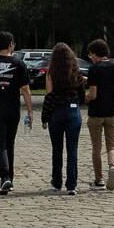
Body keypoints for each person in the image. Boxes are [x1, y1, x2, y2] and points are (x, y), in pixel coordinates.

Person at [0, 32, 34, 195]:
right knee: (9, 143)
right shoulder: (19, 64)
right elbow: (25, 89)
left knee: (0, 144)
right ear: (11, 44)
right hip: (13, 109)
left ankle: (5, 177)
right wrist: (30, 111)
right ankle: (8, 178)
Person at [42, 43, 86, 196]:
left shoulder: (51, 73)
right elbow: (82, 95)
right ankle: (72, 184)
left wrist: (44, 117)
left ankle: (57, 181)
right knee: (72, 149)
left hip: (56, 112)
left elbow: (49, 96)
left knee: (57, 148)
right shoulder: (76, 72)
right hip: (73, 111)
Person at [85, 39, 114, 190]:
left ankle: (99, 179)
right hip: (112, 111)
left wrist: (85, 97)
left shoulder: (94, 69)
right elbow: (106, 83)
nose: (90, 58)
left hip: (96, 113)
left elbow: (93, 94)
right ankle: (113, 166)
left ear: (95, 54)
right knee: (111, 145)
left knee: (96, 147)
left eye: (91, 55)